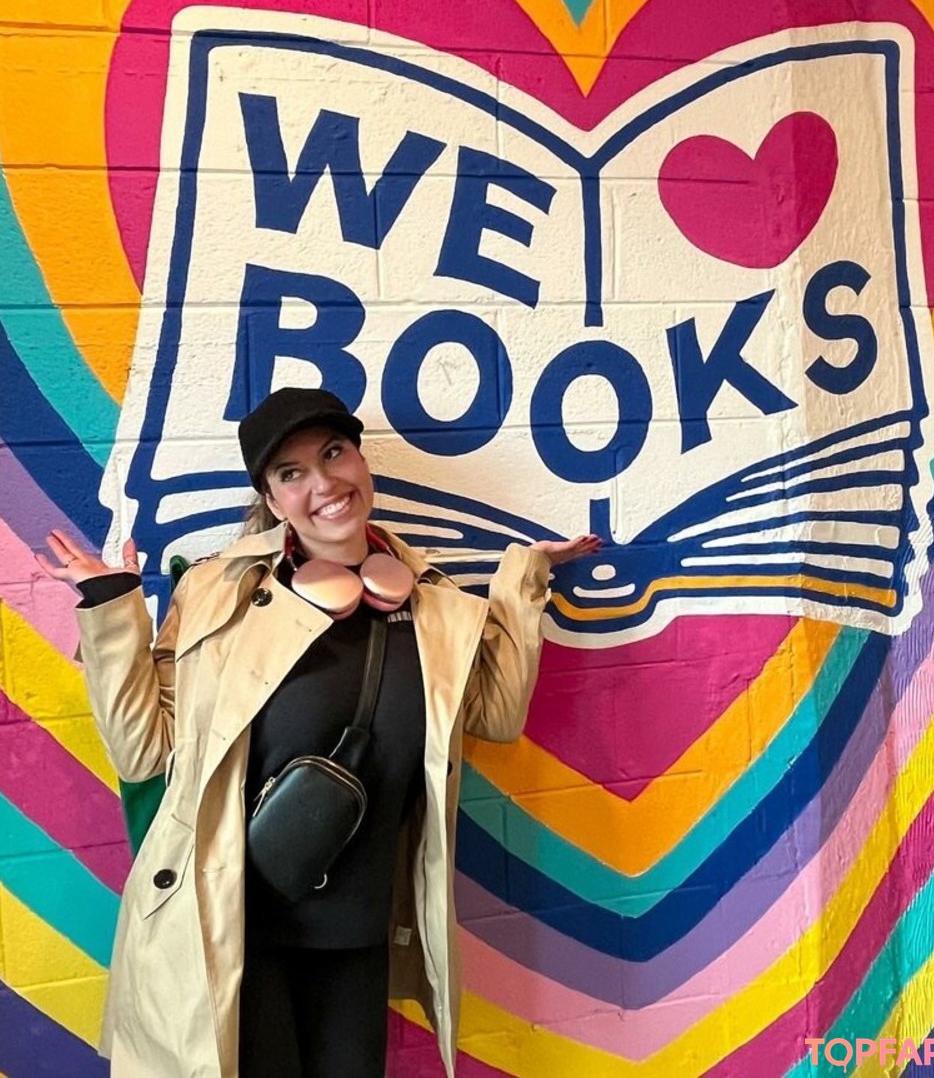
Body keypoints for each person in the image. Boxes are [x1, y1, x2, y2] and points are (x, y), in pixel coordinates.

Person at [36, 387, 602, 1078]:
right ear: (273, 501)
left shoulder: (433, 606)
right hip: (232, 930)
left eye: (334, 454)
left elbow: (499, 716)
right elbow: (142, 750)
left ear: (362, 461)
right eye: (292, 473)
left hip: (358, 934)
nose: (325, 483)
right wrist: (113, 611)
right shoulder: (219, 594)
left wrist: (523, 581)